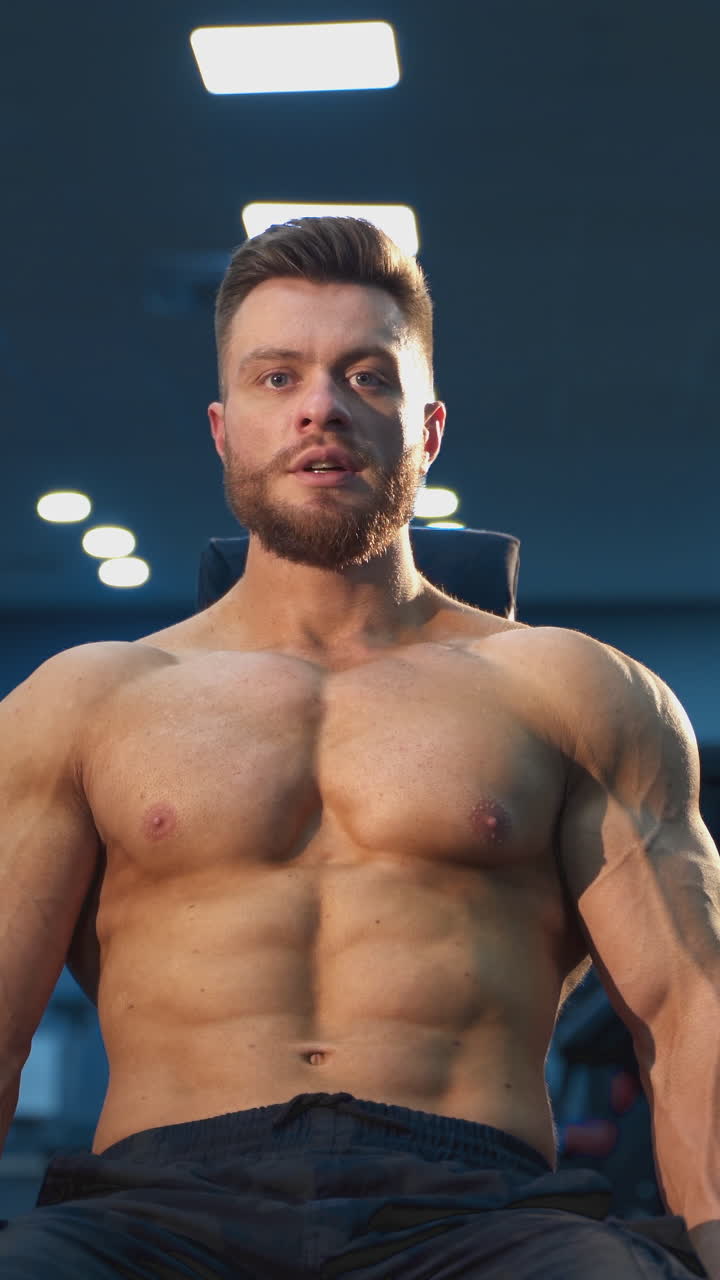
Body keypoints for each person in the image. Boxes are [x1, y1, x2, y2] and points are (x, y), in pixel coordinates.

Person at [0, 216, 716, 1279]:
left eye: (366, 375)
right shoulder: (88, 699)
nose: (320, 405)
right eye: (276, 375)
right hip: (153, 1217)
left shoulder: (574, 690)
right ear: (222, 427)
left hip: (476, 1212)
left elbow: (689, 1010)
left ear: (428, 429)